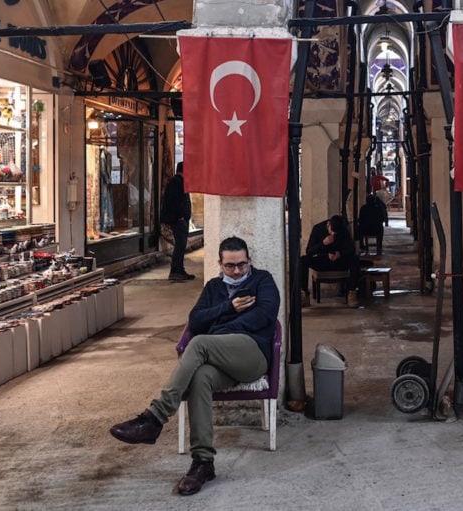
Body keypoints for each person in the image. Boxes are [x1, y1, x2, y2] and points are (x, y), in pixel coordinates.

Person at [110, 236, 280, 496]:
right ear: (220, 264)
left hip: (252, 355)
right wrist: (228, 307)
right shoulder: (213, 288)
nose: (237, 271)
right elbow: (196, 319)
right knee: (200, 377)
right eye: (230, 266)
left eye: (242, 265)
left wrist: (222, 327)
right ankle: (203, 462)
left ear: (250, 261)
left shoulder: (263, 281)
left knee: (200, 343)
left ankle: (155, 418)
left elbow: (265, 316)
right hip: (219, 360)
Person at [299, 215, 358, 306]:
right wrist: (323, 243)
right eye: (332, 231)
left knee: (355, 259)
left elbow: (351, 249)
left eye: (336, 233)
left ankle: (352, 292)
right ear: (328, 224)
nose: (333, 234)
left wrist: (340, 254)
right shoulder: (318, 228)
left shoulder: (343, 229)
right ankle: (304, 293)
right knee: (303, 260)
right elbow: (309, 251)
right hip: (322, 260)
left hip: (338, 261)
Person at [161, 162, 194, 280]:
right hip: (178, 220)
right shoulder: (176, 182)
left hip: (181, 219)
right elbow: (173, 202)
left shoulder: (180, 182)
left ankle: (179, 269)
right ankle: (176, 270)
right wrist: (180, 216)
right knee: (180, 245)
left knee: (181, 245)